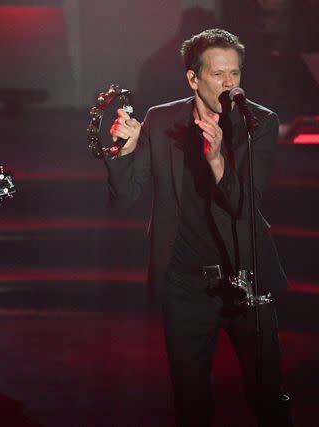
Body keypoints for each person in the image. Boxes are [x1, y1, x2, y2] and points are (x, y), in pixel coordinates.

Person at [106, 29, 292, 426]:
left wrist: (218, 161)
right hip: (185, 285)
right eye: (218, 74)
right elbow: (126, 197)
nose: (230, 85)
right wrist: (124, 151)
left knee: (268, 398)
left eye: (236, 74)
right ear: (193, 78)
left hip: (246, 277)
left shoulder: (258, 123)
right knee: (191, 403)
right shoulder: (160, 120)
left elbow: (246, 204)